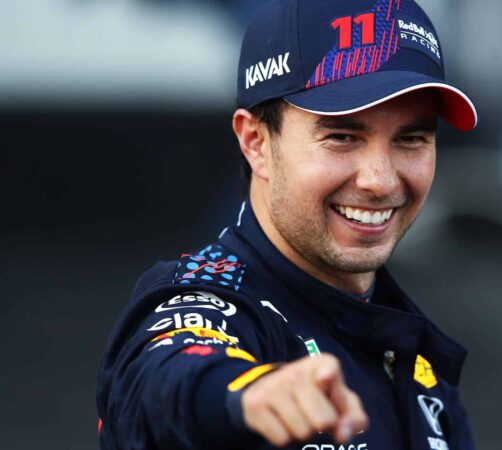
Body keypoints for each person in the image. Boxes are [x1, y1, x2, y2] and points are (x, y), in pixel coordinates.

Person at [96, 0, 478, 448]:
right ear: (255, 142)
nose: (380, 180)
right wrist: (245, 395)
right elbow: (164, 378)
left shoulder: (412, 354)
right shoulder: (204, 303)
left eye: (410, 139)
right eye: (341, 136)